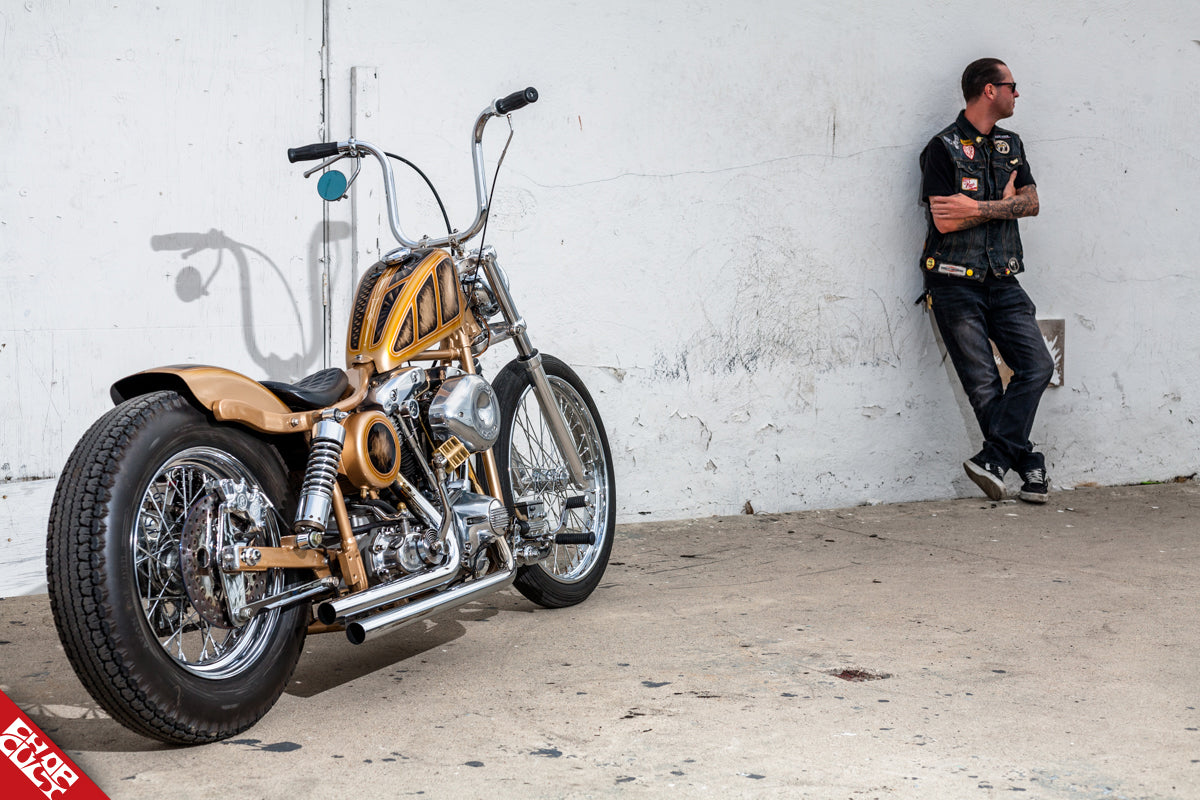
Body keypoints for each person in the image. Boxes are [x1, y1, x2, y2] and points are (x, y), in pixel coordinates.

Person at [918, 58, 1055, 503]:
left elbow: (1032, 203)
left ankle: (995, 458)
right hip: (955, 283)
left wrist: (978, 208)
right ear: (989, 90)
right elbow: (943, 221)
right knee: (983, 386)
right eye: (1012, 85)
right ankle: (1028, 464)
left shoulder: (1011, 145)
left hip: (1004, 279)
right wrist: (1003, 203)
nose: (1018, 93)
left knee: (1037, 366)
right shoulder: (942, 148)